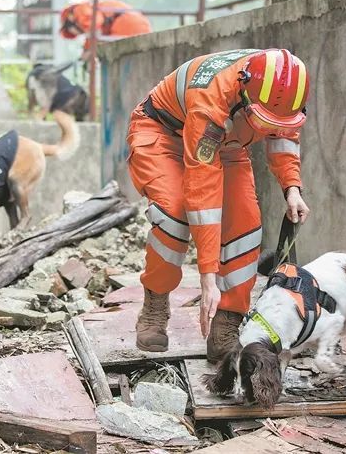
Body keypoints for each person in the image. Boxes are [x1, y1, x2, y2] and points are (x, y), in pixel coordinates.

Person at [126, 48, 311, 362]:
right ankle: (155, 305)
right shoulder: (211, 96)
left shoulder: (285, 93)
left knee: (246, 226)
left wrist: (291, 188)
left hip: (227, 143)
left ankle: (227, 322)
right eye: (263, 120)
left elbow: (284, 134)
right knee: (174, 214)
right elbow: (203, 192)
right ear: (243, 90)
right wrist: (207, 277)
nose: (268, 129)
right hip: (162, 133)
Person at [60, 0, 152, 58]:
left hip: (128, 26)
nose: (76, 33)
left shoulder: (79, 11)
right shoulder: (88, 8)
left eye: (69, 30)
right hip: (140, 26)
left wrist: (88, 50)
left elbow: (95, 26)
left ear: (70, 19)